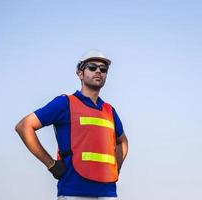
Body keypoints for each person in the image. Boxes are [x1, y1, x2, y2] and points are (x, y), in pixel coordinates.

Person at [15, 50, 128, 200]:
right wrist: (51, 164)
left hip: (108, 192)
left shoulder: (109, 111)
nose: (98, 71)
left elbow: (122, 142)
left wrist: (116, 168)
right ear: (80, 73)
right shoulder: (65, 103)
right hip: (73, 191)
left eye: (103, 69)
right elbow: (24, 126)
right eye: (92, 67)